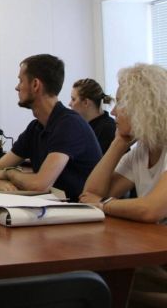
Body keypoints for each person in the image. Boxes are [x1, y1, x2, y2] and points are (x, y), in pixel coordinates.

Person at [79, 64, 167, 308]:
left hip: (161, 259)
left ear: (143, 107)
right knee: (98, 277)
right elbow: (91, 193)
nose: (114, 111)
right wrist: (118, 144)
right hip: (158, 254)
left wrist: (103, 205)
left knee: (100, 281)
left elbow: (151, 209)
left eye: (120, 103)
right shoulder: (142, 150)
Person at [0, 54, 102, 201]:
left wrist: (8, 173)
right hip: (54, 209)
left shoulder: (69, 125)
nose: (17, 87)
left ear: (35, 85)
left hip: (80, 211)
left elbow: (39, 185)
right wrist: (1, 181)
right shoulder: (35, 128)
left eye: (20, 81)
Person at [69, 78, 116, 153]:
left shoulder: (109, 130)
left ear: (86, 102)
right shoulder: (83, 127)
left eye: (73, 99)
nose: (69, 104)